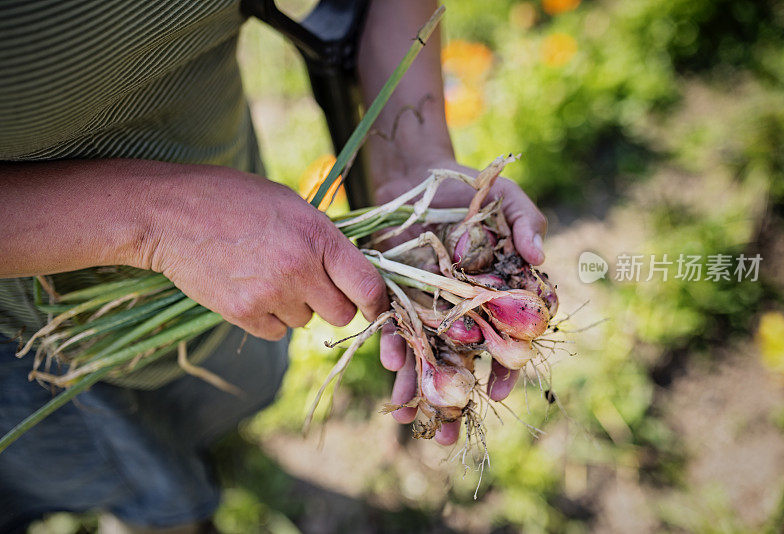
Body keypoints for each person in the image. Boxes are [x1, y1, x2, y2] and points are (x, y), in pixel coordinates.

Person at [0, 0, 547, 531]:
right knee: (102, 460)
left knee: (210, 397)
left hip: (232, 206)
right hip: (26, 320)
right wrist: (157, 221)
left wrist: (413, 158)